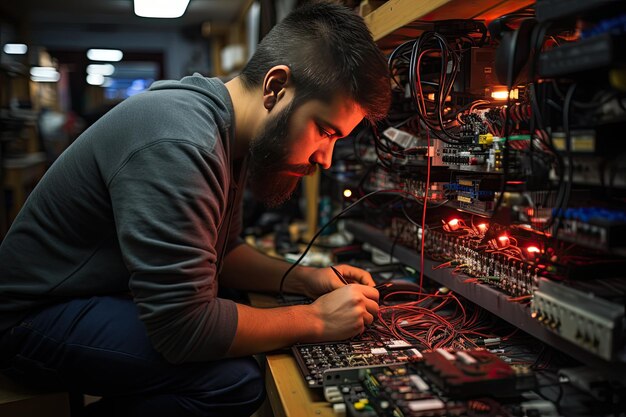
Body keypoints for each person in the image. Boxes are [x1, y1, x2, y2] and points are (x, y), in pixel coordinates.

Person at [0, 2, 391, 416]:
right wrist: (315, 321)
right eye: (325, 131)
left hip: (90, 298)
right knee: (232, 381)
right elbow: (183, 328)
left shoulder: (228, 135)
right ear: (275, 89)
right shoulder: (182, 141)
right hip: (29, 320)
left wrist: (307, 279)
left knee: (236, 311)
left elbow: (226, 253)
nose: (326, 158)